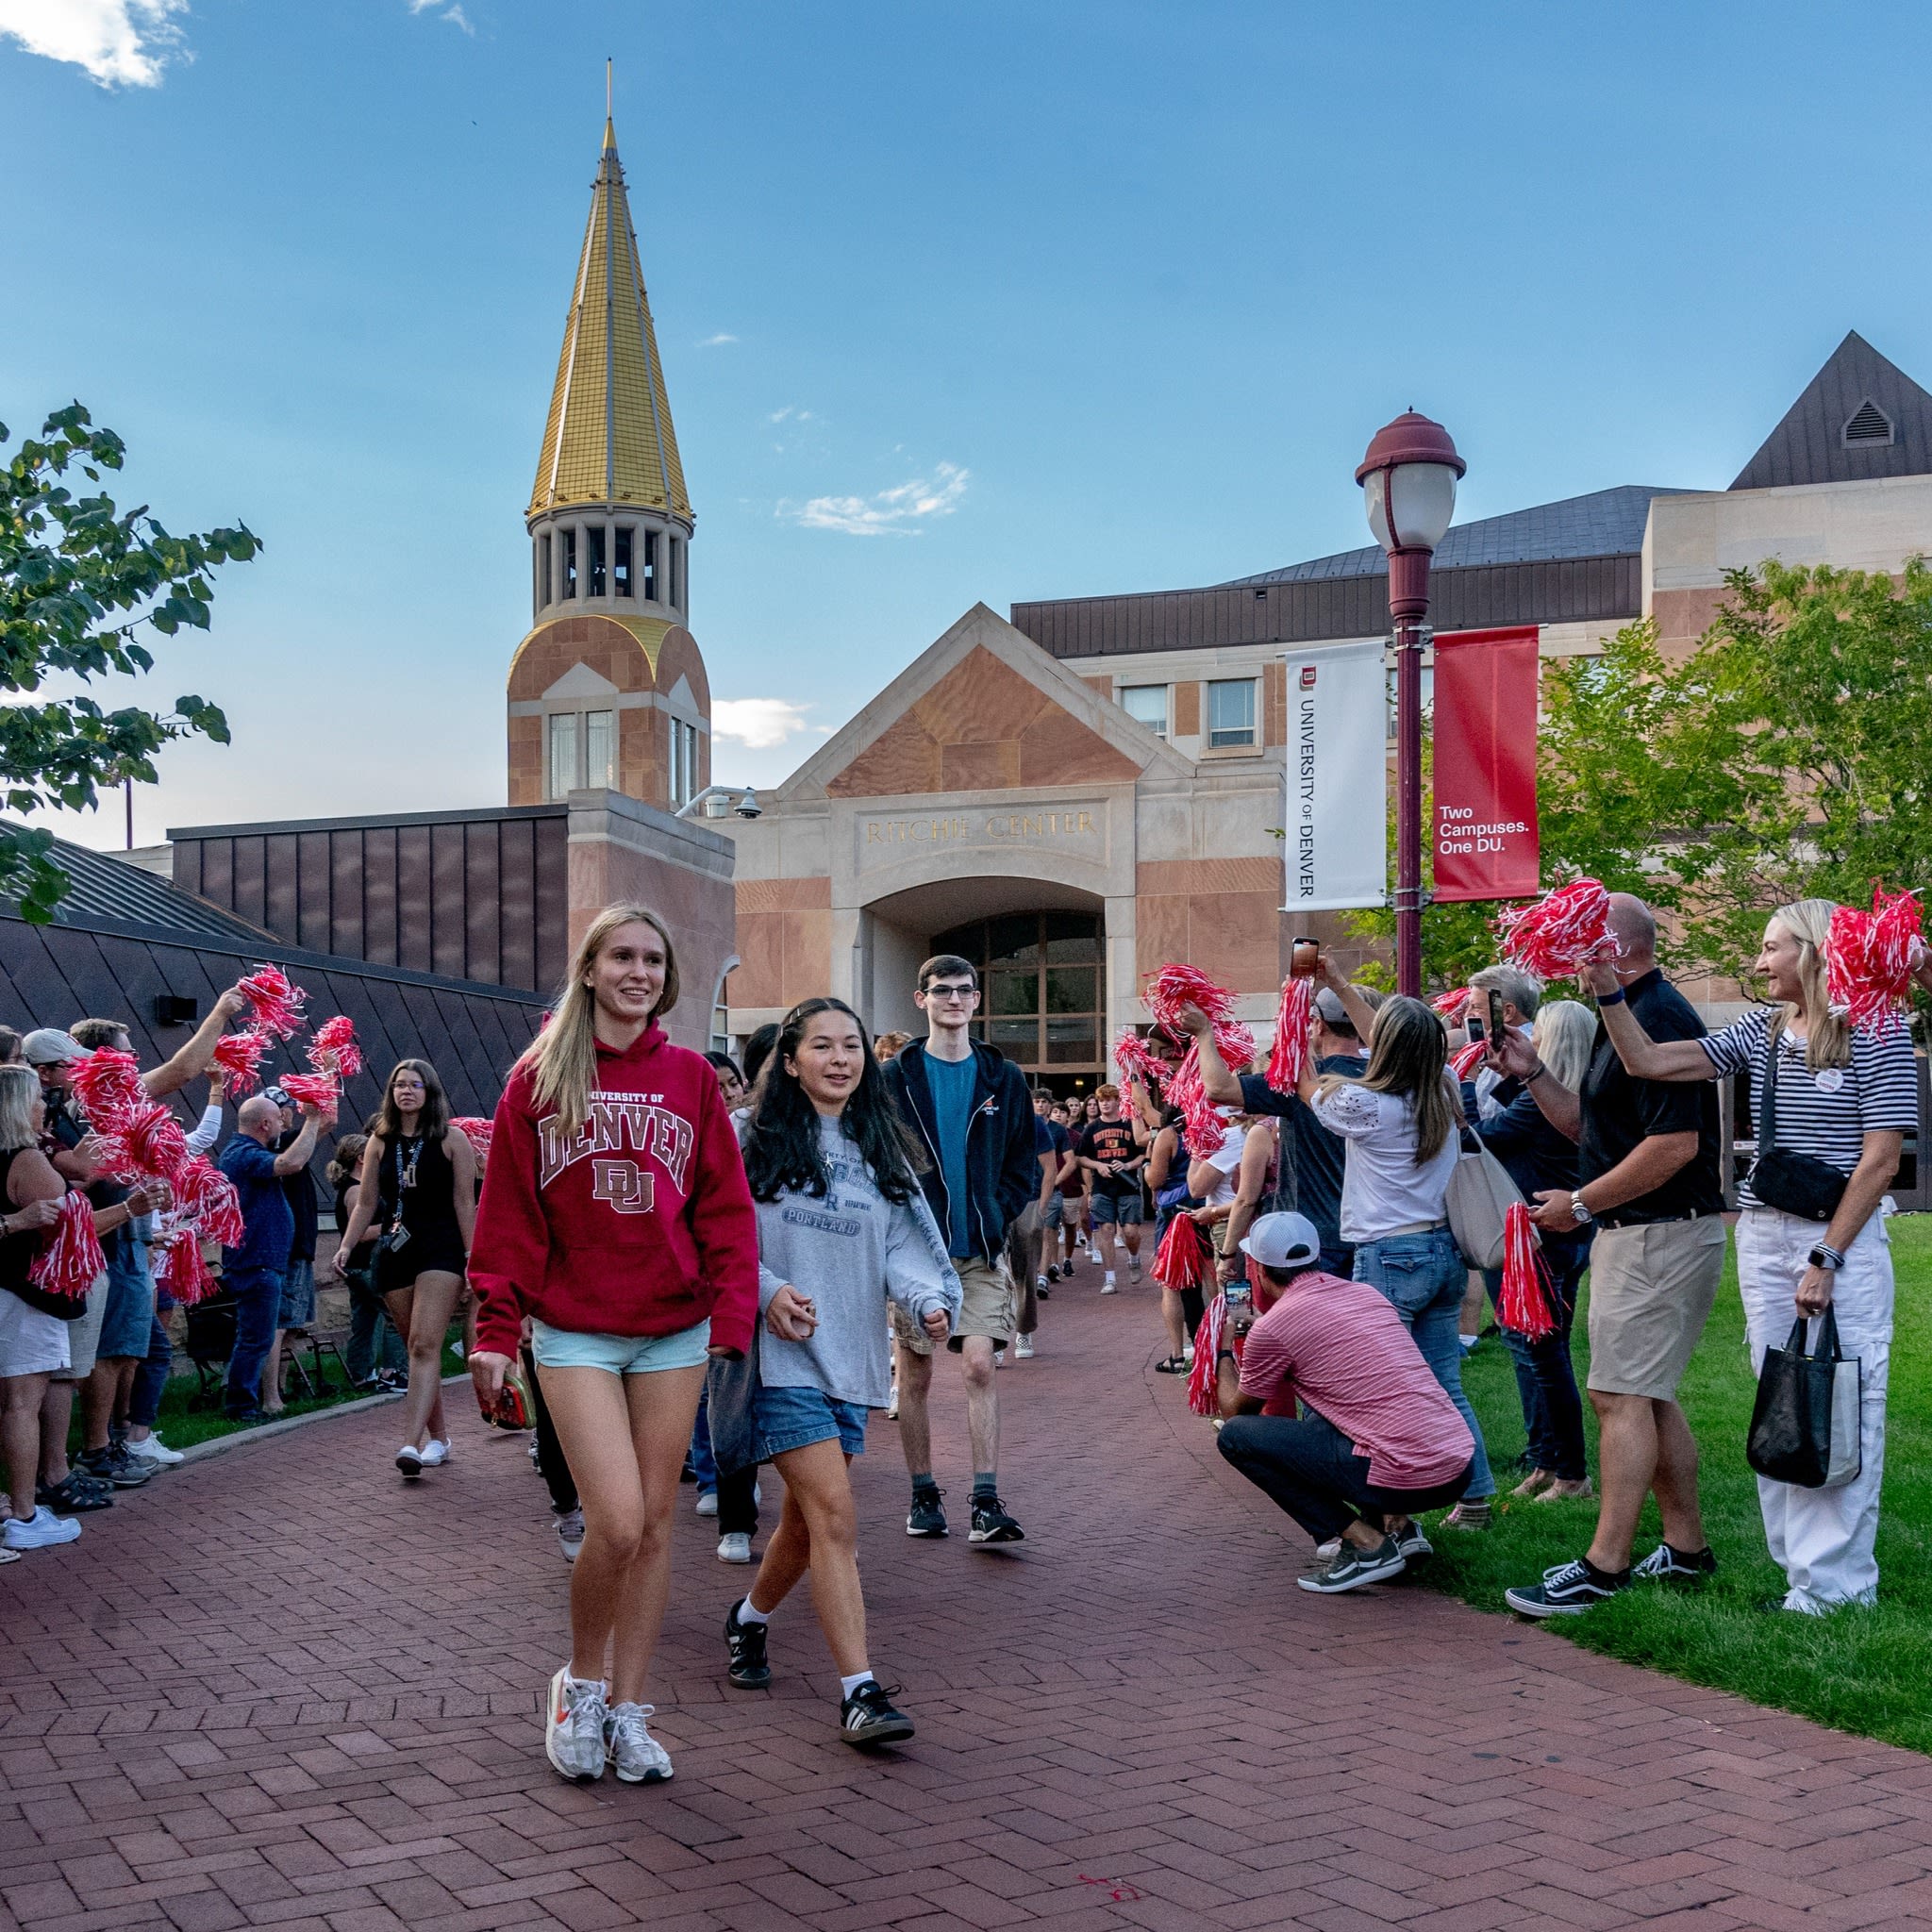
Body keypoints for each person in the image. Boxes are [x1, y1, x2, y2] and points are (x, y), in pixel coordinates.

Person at [467, 904, 759, 1786]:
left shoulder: (691, 1080)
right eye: (621, 956)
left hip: (675, 1327)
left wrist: (733, 1317)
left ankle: (630, 1711)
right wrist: (491, 1329)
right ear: (589, 970)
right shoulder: (537, 1078)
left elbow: (724, 1210)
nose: (639, 972)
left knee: (661, 1524)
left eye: (652, 960)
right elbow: (508, 1216)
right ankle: (579, 1686)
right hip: (575, 1330)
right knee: (618, 1520)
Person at [1583, 900, 1913, 1615]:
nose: (1758, 963)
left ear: (1817, 952)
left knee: (1840, 1402)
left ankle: (1837, 1588)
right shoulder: (1762, 1032)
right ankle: (1803, 1579)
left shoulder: (1877, 1030)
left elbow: (1880, 1161)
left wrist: (1826, 1257)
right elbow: (1649, 1060)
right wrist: (1608, 989)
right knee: (1785, 1402)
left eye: (1772, 948)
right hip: (1765, 1234)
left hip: (1838, 1240)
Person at [725, 997, 960, 1744]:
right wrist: (766, 1294)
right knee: (834, 1514)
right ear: (789, 1060)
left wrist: (925, 1299)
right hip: (778, 1358)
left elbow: (902, 1247)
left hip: (852, 1358)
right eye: (821, 1045)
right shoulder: (744, 1137)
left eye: (851, 1046)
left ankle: (750, 1617)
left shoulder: (879, 1151)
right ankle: (860, 1692)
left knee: (804, 1523)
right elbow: (718, 1235)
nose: (839, 1059)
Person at [1491, 892, 1727, 1618]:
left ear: (1612, 946)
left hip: (1659, 1231)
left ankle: (1606, 1565)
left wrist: (1584, 1204)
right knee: (1644, 1392)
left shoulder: (1658, 1015)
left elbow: (1675, 1145)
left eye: (1575, 943)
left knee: (1618, 1396)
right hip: (1643, 1232)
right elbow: (1593, 1129)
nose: (1560, 957)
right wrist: (1533, 1071)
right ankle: (1687, 1552)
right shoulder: (1624, 1014)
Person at [1196, 970, 1496, 1524]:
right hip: (1442, 1252)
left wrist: (1295, 1015)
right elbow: (1386, 1037)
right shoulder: (1443, 1086)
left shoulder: (1366, 1107)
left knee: (1362, 1384)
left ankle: (1384, 1516)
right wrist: (1330, 976)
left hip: (1389, 1256)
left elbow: (1302, 1079)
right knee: (1442, 1380)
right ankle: (1474, 1497)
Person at [1215, 1212, 1475, 1594]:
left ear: (1258, 1269)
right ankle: (1399, 1529)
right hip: (1457, 1467)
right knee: (1345, 1412)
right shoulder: (1365, 1295)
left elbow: (1237, 1414)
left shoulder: (1273, 1328)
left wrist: (1224, 1350)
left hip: (1407, 1479)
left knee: (1236, 1438)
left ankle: (1366, 1545)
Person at [881, 953, 1035, 1545]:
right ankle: (923, 1492)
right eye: (941, 990)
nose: (953, 999)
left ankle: (986, 1500)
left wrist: (999, 1209)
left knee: (978, 1365)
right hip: (918, 1253)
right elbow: (878, 1153)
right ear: (921, 999)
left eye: (964, 990)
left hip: (980, 1247)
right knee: (915, 1375)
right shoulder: (895, 1077)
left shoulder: (1004, 1077)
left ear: (976, 1000)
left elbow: (1024, 1159)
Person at [1465, 1001, 1596, 1501]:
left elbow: (1481, 1140)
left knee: (1546, 1358)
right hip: (1566, 1239)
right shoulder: (1576, 1095)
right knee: (1544, 1354)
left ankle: (1571, 1474)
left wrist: (1463, 1090)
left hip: (1543, 1242)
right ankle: (1548, 1464)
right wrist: (1509, 1076)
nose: (1528, 1040)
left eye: (1535, 1034)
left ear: (1553, 1042)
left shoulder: (1540, 1107)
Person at [328, 1059, 476, 1474]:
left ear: (429, 1091)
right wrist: (346, 1245)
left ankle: (409, 1445)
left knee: (424, 1345)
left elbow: (465, 1202)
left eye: (414, 1085)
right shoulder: (379, 1140)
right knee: (418, 1350)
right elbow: (366, 1201)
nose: (405, 1091)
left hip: (441, 1250)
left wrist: (472, 1257)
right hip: (396, 1248)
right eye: (398, 1085)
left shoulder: (452, 1139)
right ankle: (440, 1439)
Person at [1189, 981, 1380, 1278]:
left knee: (1312, 1325)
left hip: (1313, 1239)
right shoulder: (1388, 1081)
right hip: (1375, 1237)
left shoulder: (1300, 1085)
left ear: (1317, 1025)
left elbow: (1218, 1088)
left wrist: (1203, 1033)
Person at [0, 1064, 89, 1552]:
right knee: (20, 1406)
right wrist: (131, 1209)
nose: (44, 1108)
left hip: (10, 1293)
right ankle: (25, 1514)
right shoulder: (26, 1158)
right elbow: (75, 1228)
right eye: (37, 1099)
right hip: (22, 1295)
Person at [218, 1094, 327, 1421]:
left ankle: (244, 1402)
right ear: (265, 1124)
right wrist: (311, 1119)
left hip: (263, 1260)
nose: (283, 1123)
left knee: (258, 1336)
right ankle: (241, 1406)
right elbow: (290, 1163)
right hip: (255, 1260)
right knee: (256, 1338)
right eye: (279, 1119)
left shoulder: (247, 1151)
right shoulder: (243, 1154)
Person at [258, 1085, 322, 1416]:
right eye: (282, 1109)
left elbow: (323, 1123)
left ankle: (280, 1386)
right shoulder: (277, 1145)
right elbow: (323, 1124)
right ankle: (271, 1396)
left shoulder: (289, 1140)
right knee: (279, 1323)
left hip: (301, 1246)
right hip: (289, 1246)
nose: (287, 1115)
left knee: (292, 1324)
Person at [329, 1133, 405, 1391]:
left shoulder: (358, 1187)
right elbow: (359, 1233)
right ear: (362, 1158)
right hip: (365, 1265)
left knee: (364, 1319)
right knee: (395, 1315)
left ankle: (360, 1374)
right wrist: (393, 1227)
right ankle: (393, 1372)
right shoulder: (356, 1191)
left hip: (358, 1266)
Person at [1075, 1084, 1146, 1292]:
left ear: (1117, 1101)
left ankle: (1134, 1258)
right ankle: (1110, 1278)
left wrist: (1127, 1165)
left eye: (1108, 1099)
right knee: (1106, 1230)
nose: (1104, 1103)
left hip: (1127, 1186)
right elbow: (1081, 1157)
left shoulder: (1129, 1124)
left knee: (1130, 1232)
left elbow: (1144, 1154)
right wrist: (1098, 1165)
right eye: (1101, 1100)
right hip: (1102, 1187)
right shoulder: (1092, 1128)